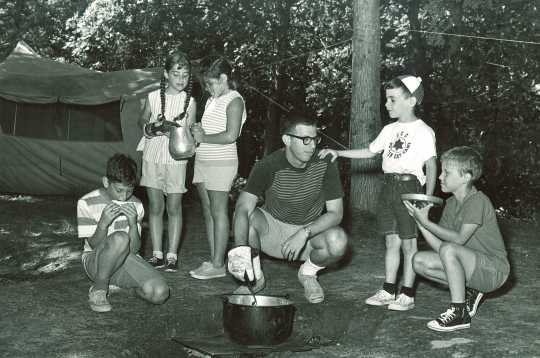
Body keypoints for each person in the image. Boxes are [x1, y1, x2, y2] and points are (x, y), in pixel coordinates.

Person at [319, 75, 437, 311]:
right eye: (387, 100)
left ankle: (407, 293)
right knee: (390, 240)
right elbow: (371, 152)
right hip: (388, 188)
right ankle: (389, 288)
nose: (387, 105)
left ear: (411, 101)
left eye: (392, 100)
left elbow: (431, 165)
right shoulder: (389, 129)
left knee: (408, 242)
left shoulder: (424, 131)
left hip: (409, 188)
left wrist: (426, 199)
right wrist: (339, 153)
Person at [228, 114, 348, 303]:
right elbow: (242, 207)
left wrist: (304, 233)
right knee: (245, 216)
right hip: (272, 230)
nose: (313, 146)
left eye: (315, 139)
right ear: (287, 140)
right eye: (305, 140)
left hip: (308, 234)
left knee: (338, 240)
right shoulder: (267, 166)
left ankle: (308, 274)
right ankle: (255, 278)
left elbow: (336, 213)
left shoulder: (325, 163)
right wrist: (240, 251)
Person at [404, 146, 510, 332]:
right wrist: (420, 221)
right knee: (418, 261)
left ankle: (459, 312)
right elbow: (442, 248)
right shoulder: (451, 204)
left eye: (446, 172)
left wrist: (427, 223)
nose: (439, 177)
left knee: (450, 249)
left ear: (466, 177)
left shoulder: (478, 200)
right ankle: (472, 291)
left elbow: (458, 241)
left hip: (494, 270)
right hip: (473, 268)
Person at [77, 154, 170, 313]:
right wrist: (103, 224)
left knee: (160, 293)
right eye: (119, 190)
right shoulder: (86, 202)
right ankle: (99, 288)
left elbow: (133, 250)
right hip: (96, 262)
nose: (124, 196)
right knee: (120, 237)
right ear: (106, 182)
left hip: (126, 259)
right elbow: (93, 245)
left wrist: (133, 224)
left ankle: (127, 287)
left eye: (129, 191)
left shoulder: (136, 205)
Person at [137, 50, 196, 272]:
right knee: (155, 206)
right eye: (176, 74)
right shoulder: (152, 97)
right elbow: (141, 121)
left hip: (176, 160)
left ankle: (172, 256)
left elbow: (190, 133)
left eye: (185, 75)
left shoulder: (190, 102)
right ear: (166, 74)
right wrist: (152, 127)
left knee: (174, 207)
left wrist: (182, 133)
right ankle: (157, 254)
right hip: (152, 156)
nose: (181, 80)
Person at [189, 58, 246, 280]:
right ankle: (215, 260)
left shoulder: (235, 100)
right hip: (203, 160)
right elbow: (211, 130)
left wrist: (204, 136)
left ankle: (218, 264)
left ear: (224, 78)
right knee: (207, 210)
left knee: (218, 211)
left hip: (221, 162)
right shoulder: (214, 100)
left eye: (211, 83)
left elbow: (232, 135)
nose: (208, 88)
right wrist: (198, 130)